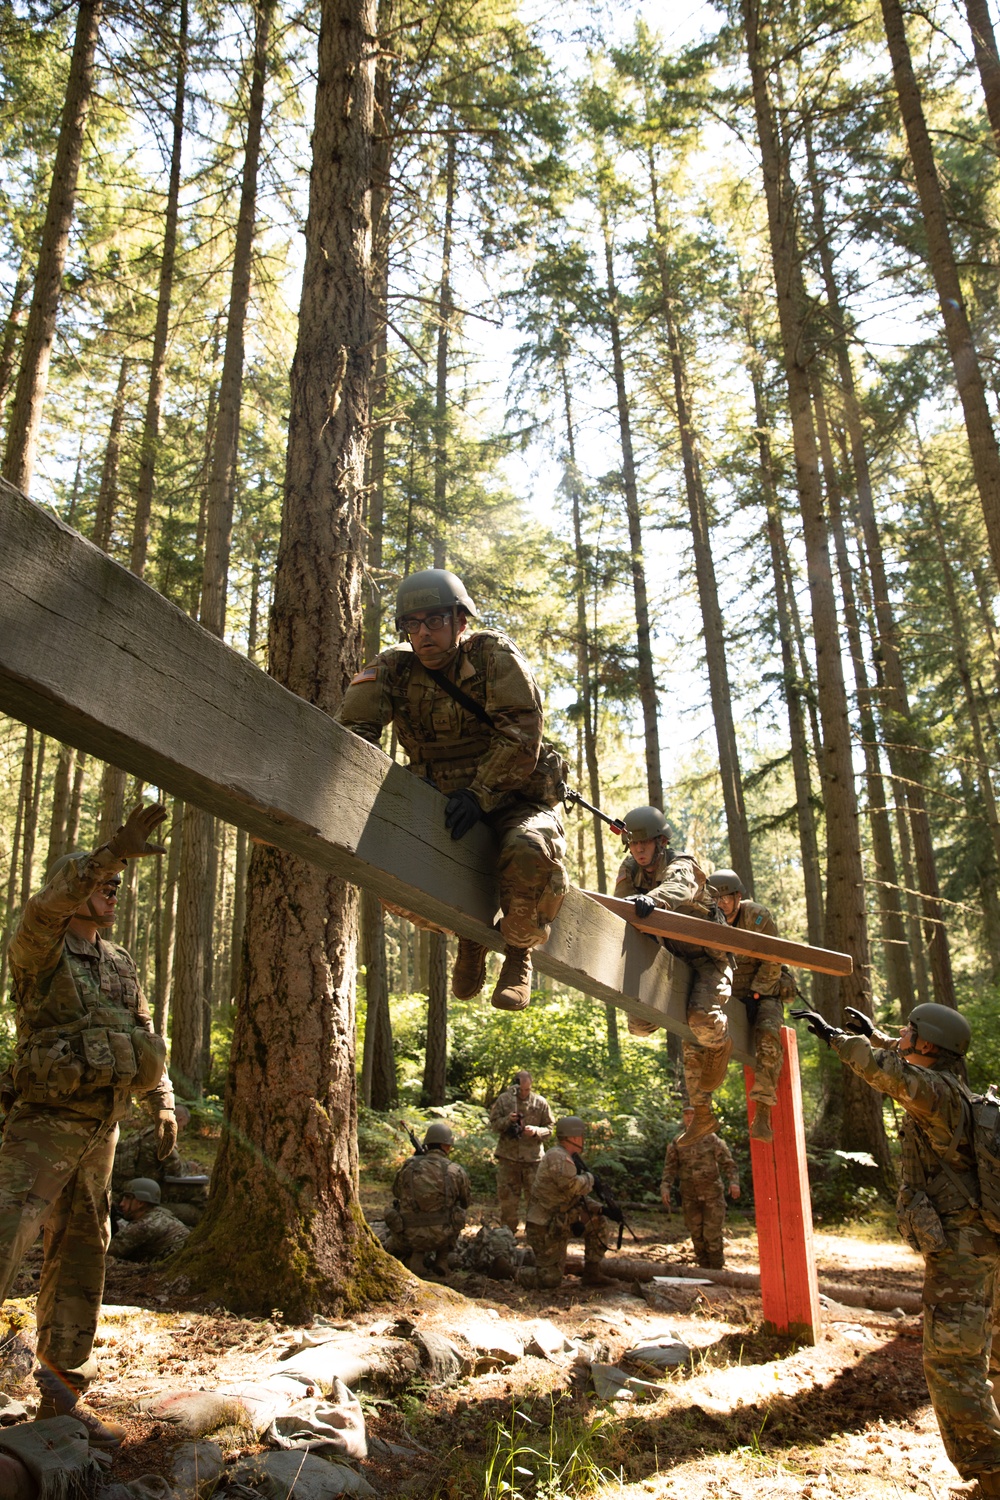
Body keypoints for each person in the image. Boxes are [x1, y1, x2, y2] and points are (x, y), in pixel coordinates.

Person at [0, 803, 175, 1448]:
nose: (113, 893)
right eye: (104, 884)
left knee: (81, 1254)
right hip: (43, 1127)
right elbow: (43, 907)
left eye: (116, 887)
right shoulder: (38, 949)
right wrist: (111, 852)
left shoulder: (120, 962)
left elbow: (143, 1032)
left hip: (101, 1128)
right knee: (5, 1236)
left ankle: (61, 1392)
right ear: (77, 886)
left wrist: (163, 1101)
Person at [337, 568, 569, 1012]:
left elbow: (521, 738)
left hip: (514, 797)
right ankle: (470, 935)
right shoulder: (392, 668)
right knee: (394, 869)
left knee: (529, 849)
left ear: (461, 621)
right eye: (412, 624)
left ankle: (519, 951)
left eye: (435, 621)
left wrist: (479, 795)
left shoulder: (492, 656)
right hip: (442, 800)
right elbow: (351, 734)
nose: (423, 633)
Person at [794, 1000, 1000, 1496]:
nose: (902, 1034)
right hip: (984, 1243)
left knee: (953, 1361)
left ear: (927, 1043)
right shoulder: (952, 1086)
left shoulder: (933, 1092)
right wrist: (881, 1035)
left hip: (963, 1251)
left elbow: (887, 1074)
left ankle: (993, 1478)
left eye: (909, 1030)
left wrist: (837, 1040)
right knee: (987, 1354)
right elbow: (903, 1061)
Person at [616, 807, 734, 1146]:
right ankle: (703, 1114)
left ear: (661, 842)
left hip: (709, 958)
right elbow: (621, 901)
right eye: (633, 843)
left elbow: (679, 888)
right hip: (671, 956)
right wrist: (635, 902)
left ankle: (720, 1042)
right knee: (639, 1025)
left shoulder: (681, 862)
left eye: (645, 843)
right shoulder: (631, 869)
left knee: (701, 1021)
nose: (638, 850)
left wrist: (649, 900)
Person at [710, 869, 792, 1145]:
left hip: (764, 989)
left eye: (726, 898)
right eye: (716, 897)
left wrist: (757, 994)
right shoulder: (708, 918)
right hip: (728, 990)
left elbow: (773, 959)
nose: (721, 903)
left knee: (768, 1037)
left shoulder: (758, 918)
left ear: (738, 897)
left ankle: (763, 1112)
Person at [514, 1117, 615, 1290]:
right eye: (581, 1136)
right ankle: (511, 1271)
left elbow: (577, 1197)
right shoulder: (557, 1157)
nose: (583, 1140)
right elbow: (571, 1187)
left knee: (598, 1222)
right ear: (574, 1137)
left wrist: (602, 1209)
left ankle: (592, 1273)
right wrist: (591, 1179)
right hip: (544, 1228)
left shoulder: (567, 1157)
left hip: (559, 1222)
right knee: (549, 1281)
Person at [384, 1121, 471, 1277]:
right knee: (458, 1213)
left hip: (408, 1236)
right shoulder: (456, 1170)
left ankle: (415, 1257)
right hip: (442, 1237)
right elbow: (465, 1202)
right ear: (446, 1145)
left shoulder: (408, 1166)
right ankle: (441, 1260)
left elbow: (396, 1192)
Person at [661, 1105, 740, 1269]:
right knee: (696, 1233)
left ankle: (717, 1269)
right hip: (690, 1196)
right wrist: (665, 1186)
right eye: (686, 1114)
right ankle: (704, 1269)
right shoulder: (678, 1141)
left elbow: (728, 1163)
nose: (689, 1117)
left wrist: (734, 1183)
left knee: (712, 1234)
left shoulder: (711, 1138)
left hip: (712, 1195)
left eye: (693, 1114)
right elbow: (670, 1167)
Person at [488, 1071, 555, 1234]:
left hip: (533, 1161)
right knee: (508, 1202)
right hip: (508, 1159)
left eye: (527, 1089)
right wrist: (508, 1121)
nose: (523, 1093)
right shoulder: (504, 1100)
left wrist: (536, 1131)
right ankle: (507, 1235)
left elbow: (550, 1129)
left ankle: (535, 1236)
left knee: (536, 1201)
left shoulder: (540, 1102)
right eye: (521, 1089)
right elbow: (494, 1124)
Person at [108, 1178, 189, 1262]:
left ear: (141, 1203)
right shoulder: (160, 1214)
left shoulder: (143, 1226)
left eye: (128, 1198)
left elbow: (106, 1253)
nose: (122, 1204)